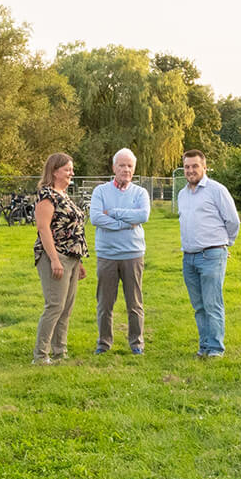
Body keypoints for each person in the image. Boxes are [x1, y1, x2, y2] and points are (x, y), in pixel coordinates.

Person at [175, 149, 239, 358]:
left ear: (204, 167)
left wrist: (224, 245)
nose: (191, 170)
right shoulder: (182, 194)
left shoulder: (216, 190)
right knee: (199, 306)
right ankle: (204, 347)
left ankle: (215, 349)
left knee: (212, 303)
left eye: (195, 166)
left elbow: (233, 221)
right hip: (189, 257)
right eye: (187, 167)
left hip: (211, 255)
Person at [89, 148, 151, 355]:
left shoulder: (140, 193)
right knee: (105, 303)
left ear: (134, 169)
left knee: (134, 303)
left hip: (133, 255)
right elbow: (96, 218)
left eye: (130, 166)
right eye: (122, 165)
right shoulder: (100, 191)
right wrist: (125, 223)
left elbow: (142, 216)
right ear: (114, 167)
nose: (126, 169)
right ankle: (104, 343)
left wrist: (113, 213)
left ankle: (137, 343)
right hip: (107, 255)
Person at [33, 152, 87, 364]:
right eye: (67, 169)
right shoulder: (47, 196)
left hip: (72, 257)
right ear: (54, 171)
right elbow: (43, 229)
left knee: (66, 308)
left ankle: (59, 351)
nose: (71, 173)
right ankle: (40, 355)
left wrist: (79, 261)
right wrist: (54, 260)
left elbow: (74, 230)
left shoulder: (64, 195)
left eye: (71, 169)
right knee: (55, 305)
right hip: (55, 257)